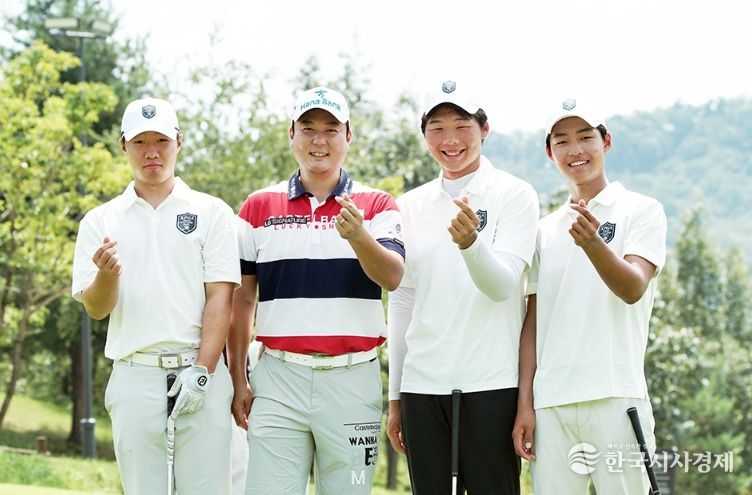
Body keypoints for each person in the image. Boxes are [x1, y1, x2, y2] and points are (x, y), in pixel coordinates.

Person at [228, 87, 405, 495]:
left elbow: (392, 277)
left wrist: (359, 236)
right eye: (308, 128)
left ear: (348, 135)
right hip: (278, 378)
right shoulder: (257, 207)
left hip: (353, 378)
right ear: (291, 134)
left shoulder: (377, 204)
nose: (319, 140)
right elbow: (242, 301)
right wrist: (238, 379)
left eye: (331, 129)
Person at [71, 97, 240, 494]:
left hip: (201, 372)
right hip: (136, 375)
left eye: (161, 140)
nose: (152, 152)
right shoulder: (100, 220)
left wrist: (203, 370)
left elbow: (221, 298)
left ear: (179, 142)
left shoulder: (212, 212)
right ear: (123, 145)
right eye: (140, 142)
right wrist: (107, 277)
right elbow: (96, 309)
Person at [387, 80, 539, 495]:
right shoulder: (409, 206)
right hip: (421, 386)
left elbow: (502, 286)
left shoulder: (514, 195)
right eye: (436, 128)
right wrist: (396, 396)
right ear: (424, 136)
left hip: (492, 384)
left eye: (462, 126)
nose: (450, 140)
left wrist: (471, 244)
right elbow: (402, 300)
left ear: (484, 129)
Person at [512, 99, 667, 494]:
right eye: (562, 141)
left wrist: (594, 244)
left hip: (616, 397)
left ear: (606, 141)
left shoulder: (641, 210)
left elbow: (633, 288)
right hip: (552, 404)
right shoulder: (545, 230)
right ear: (550, 152)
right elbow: (533, 321)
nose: (575, 150)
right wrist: (525, 403)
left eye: (585, 137)